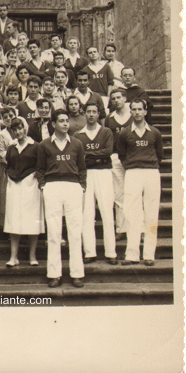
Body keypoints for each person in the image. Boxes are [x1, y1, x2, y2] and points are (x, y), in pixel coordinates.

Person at [37, 109, 86, 288]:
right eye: (62, 121)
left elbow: (82, 168)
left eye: (67, 121)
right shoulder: (44, 145)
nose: (66, 124)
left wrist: (82, 186)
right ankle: (54, 273)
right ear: (53, 124)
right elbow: (40, 169)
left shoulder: (77, 144)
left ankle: (77, 273)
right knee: (54, 232)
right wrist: (44, 186)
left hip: (73, 187)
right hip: (53, 188)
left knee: (74, 232)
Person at [117, 99, 164, 266]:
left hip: (151, 172)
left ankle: (149, 254)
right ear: (130, 112)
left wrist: (149, 165)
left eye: (140, 109)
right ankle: (132, 254)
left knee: (151, 212)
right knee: (132, 213)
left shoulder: (155, 133)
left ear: (145, 112)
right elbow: (121, 155)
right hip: (132, 173)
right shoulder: (124, 133)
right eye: (134, 109)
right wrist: (131, 166)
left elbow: (159, 154)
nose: (137, 112)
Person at [75, 103, 117, 265]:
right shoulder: (79, 135)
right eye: (88, 112)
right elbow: (79, 156)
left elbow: (108, 151)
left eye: (94, 112)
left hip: (104, 173)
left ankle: (111, 252)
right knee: (87, 214)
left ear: (99, 114)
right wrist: (96, 157)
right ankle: (90, 252)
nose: (91, 114)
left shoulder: (106, 132)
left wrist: (89, 155)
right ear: (84, 114)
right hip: (86, 174)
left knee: (107, 211)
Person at [5, 117, 44, 267]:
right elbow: (9, 165)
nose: (18, 132)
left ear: (25, 129)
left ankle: (32, 256)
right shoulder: (12, 147)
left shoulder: (35, 146)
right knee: (14, 220)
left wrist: (33, 178)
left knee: (32, 220)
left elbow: (41, 166)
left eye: (20, 128)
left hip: (31, 187)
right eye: (15, 129)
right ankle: (13, 257)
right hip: (15, 186)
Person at [105, 89, 133, 240]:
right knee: (119, 193)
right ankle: (121, 229)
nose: (116, 100)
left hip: (133, 157)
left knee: (134, 192)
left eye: (118, 97)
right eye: (113, 98)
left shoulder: (133, 114)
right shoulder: (110, 118)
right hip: (116, 157)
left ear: (124, 98)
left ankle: (138, 228)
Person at [0, 106, 18, 227]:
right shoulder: (2, 135)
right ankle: (6, 225)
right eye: (6, 117)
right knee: (7, 197)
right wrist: (14, 155)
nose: (9, 119)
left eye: (11, 116)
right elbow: (0, 153)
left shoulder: (21, 131)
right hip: (7, 169)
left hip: (21, 168)